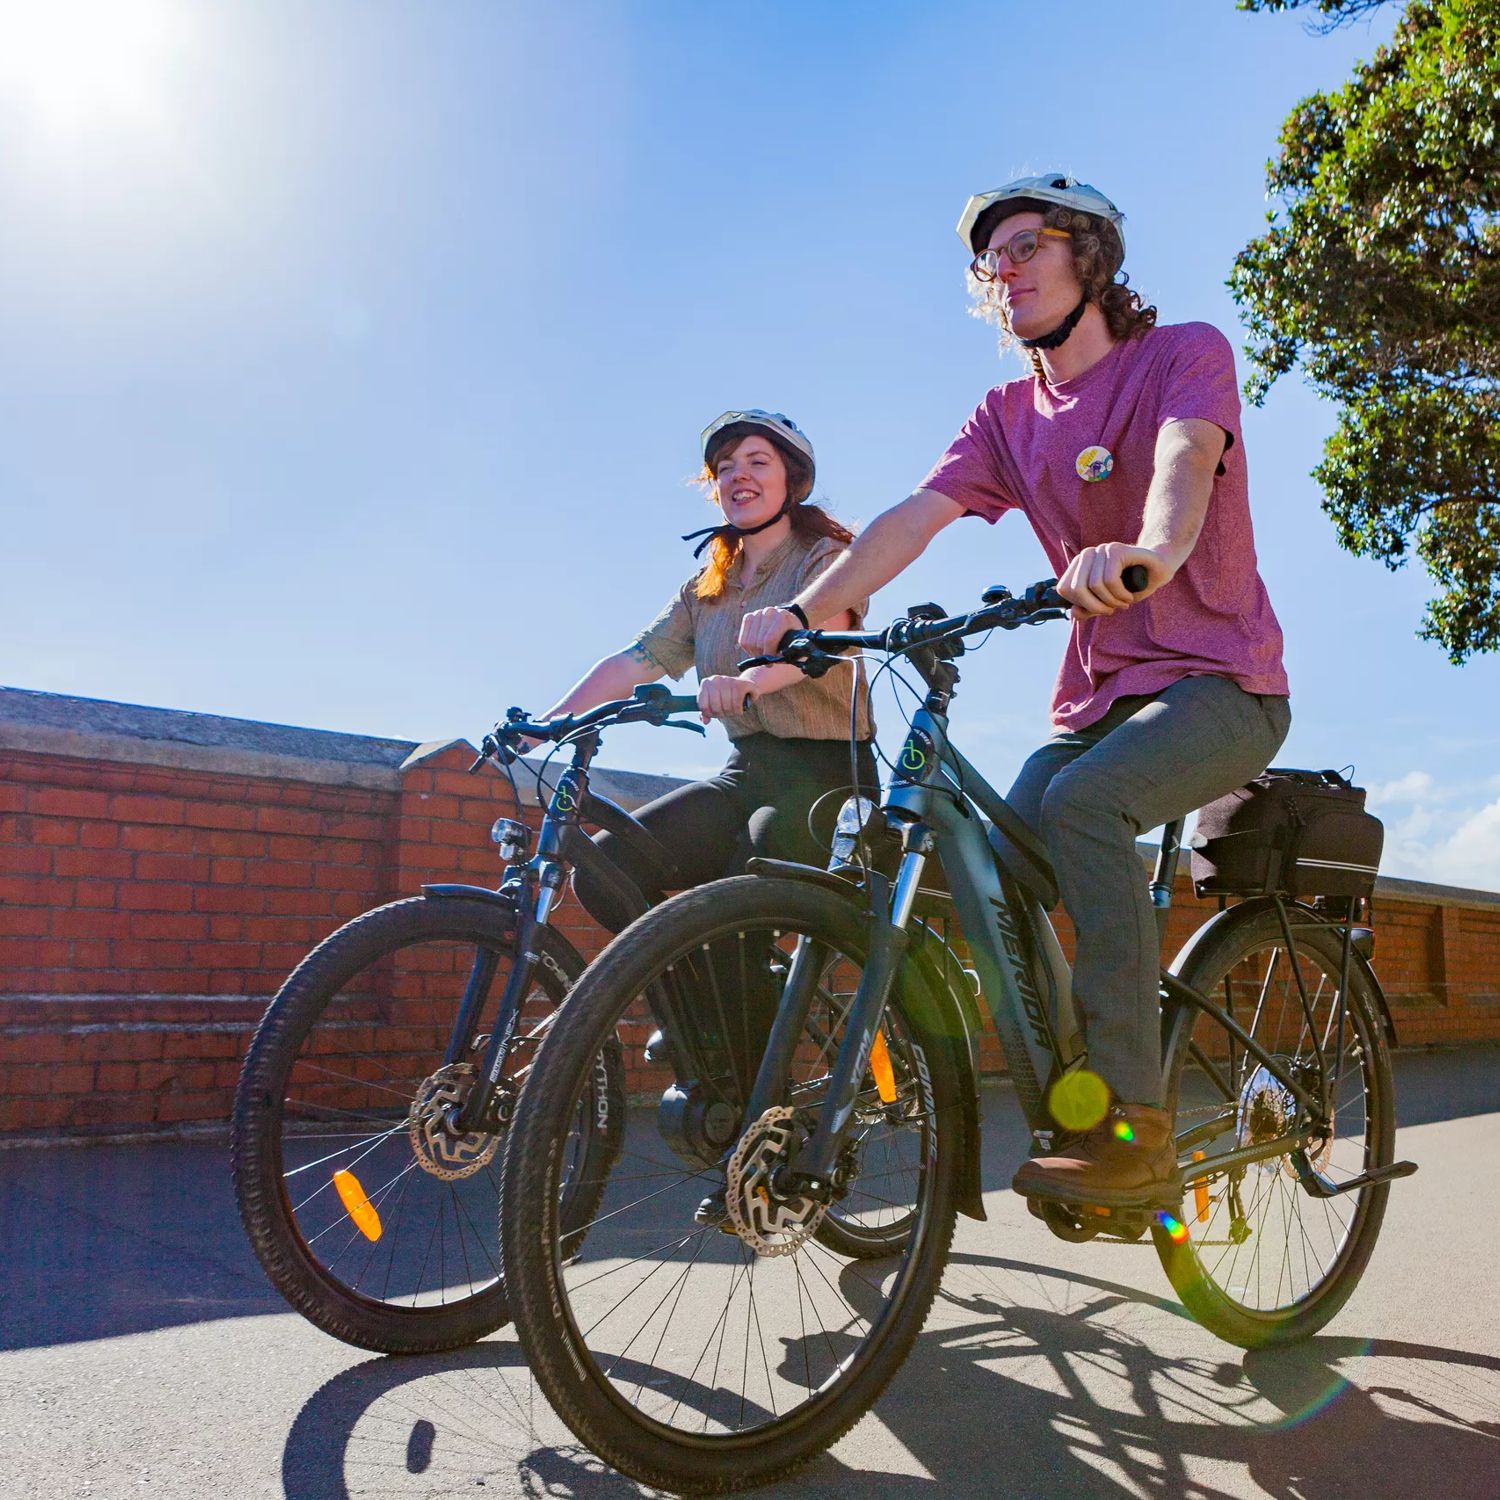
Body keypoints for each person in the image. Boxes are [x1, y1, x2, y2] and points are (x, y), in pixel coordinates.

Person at [739, 175, 1291, 1210]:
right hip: (1099, 705)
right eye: (993, 258)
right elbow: (914, 516)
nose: (1010, 268)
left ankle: (1136, 1128)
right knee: (990, 870)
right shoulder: (1005, 416)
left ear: (1092, 254)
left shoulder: (1182, 355)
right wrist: (809, 613)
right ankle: (1077, 1101)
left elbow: (1185, 459)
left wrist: (1152, 550)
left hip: (1225, 684)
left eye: (1031, 243)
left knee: (1086, 806)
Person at [534, 409, 878, 1066]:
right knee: (607, 875)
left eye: (757, 462)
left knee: (730, 904)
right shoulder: (708, 586)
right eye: (725, 469)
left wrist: (752, 681)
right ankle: (702, 1023)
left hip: (827, 777)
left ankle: (748, 1076)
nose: (738, 477)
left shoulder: (824, 559)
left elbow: (826, 638)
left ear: (791, 480)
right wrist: (548, 722)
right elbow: (636, 660)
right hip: (746, 771)